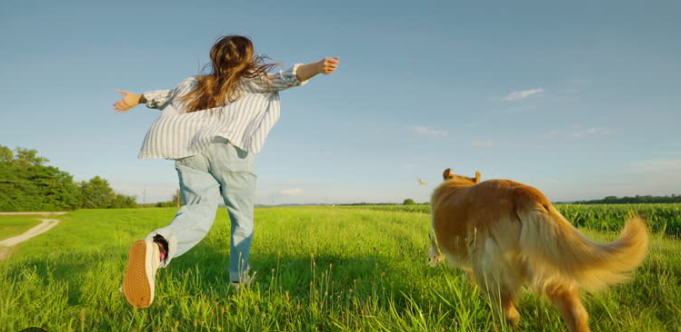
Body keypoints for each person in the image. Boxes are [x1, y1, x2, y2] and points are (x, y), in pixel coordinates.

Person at [113, 35, 339, 308]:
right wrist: (317, 66)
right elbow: (287, 77)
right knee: (242, 219)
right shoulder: (251, 79)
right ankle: (238, 280)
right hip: (229, 149)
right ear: (247, 57)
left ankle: (158, 248)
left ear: (214, 59)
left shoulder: (193, 84)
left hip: (188, 150)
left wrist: (137, 98)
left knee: (197, 210)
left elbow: (165, 96)